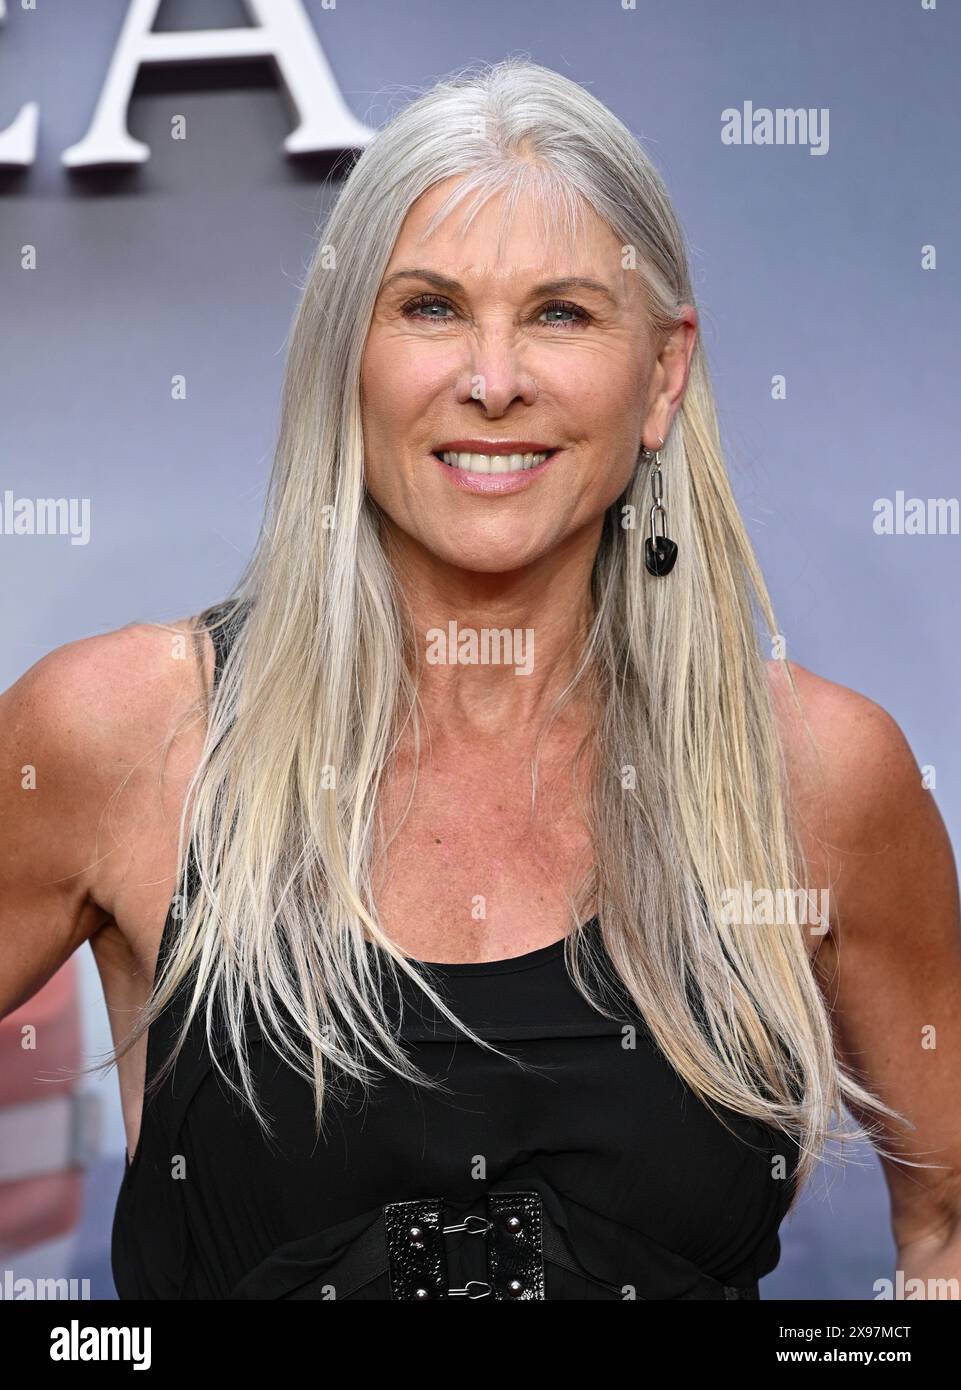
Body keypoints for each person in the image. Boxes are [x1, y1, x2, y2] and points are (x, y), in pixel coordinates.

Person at [1, 58, 959, 1301]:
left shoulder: (819, 781)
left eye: (562, 312)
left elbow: (944, 1230)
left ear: (661, 375)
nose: (493, 379)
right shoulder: (123, 734)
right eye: (431, 308)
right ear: (347, 358)